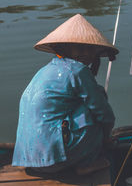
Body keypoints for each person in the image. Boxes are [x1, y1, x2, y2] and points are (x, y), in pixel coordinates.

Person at [12, 14, 118, 175]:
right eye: (79, 47)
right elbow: (104, 114)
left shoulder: (46, 70)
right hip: (54, 160)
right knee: (99, 100)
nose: (86, 52)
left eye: (90, 48)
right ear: (64, 48)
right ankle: (86, 162)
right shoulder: (77, 70)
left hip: (27, 159)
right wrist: (106, 137)